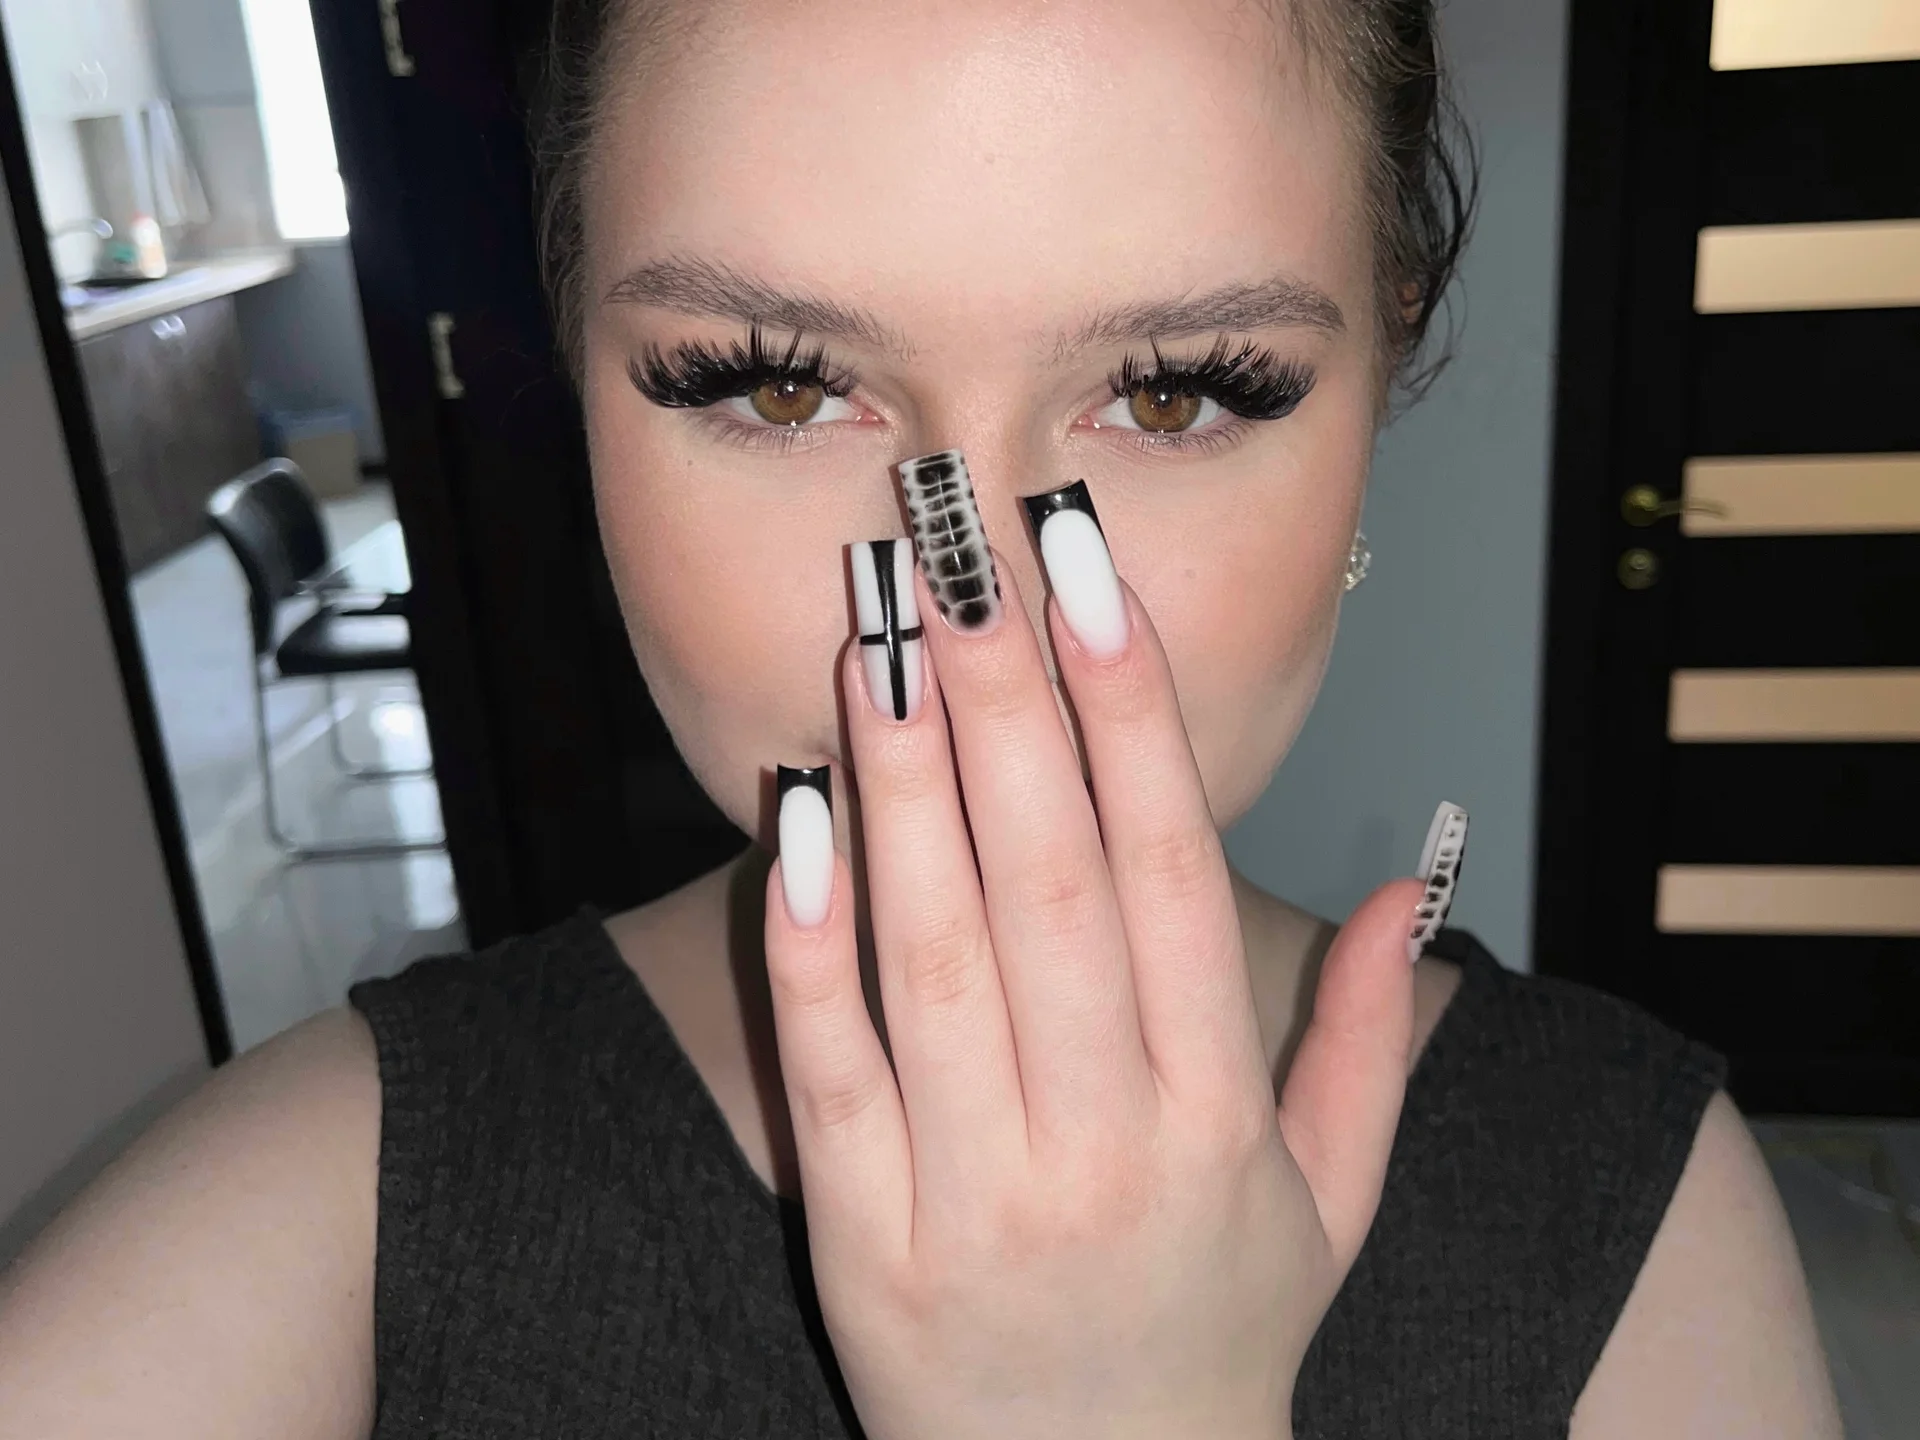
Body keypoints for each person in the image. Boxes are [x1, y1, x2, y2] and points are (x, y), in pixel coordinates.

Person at [0, 0, 1843, 1435]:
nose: (988, 624)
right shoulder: (313, 1218)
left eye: (1181, 392)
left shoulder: (1638, 1210)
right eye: (774, 387)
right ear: (577, 373)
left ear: (1380, 387)